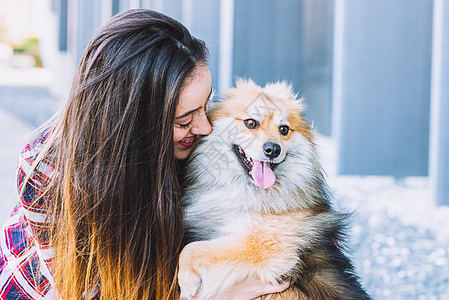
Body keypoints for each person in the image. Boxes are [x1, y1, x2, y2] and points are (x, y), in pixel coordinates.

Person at [0, 9, 289, 300]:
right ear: (135, 126)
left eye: (207, 103)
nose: (204, 127)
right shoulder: (48, 173)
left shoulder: (196, 146)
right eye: (184, 120)